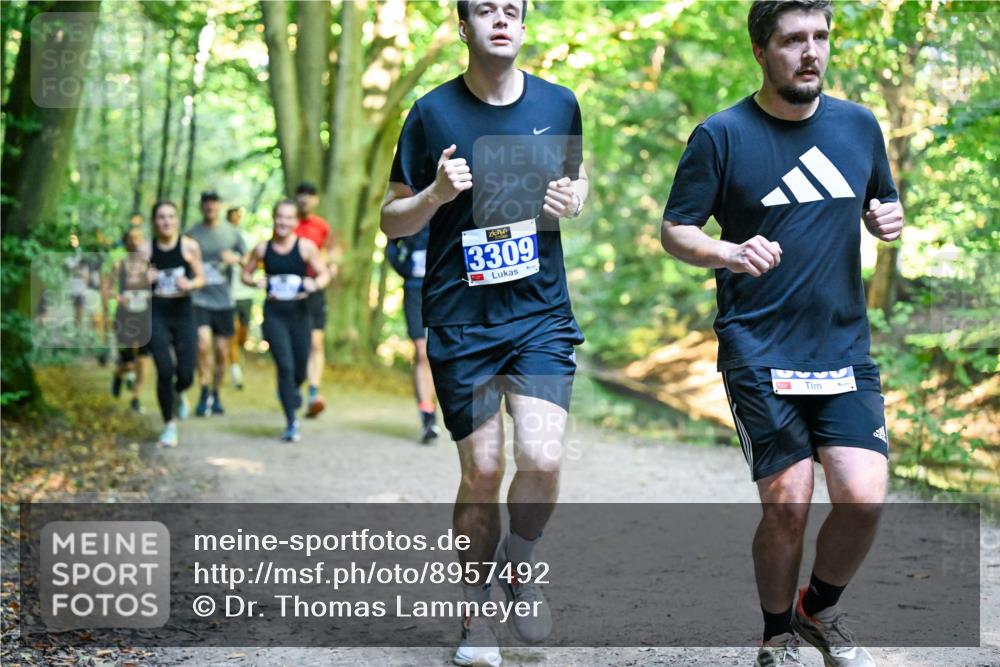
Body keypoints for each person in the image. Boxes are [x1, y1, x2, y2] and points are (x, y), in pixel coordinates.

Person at [659, 2, 904, 665]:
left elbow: (882, 201)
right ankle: (777, 636)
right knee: (789, 503)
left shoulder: (858, 126)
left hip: (842, 347)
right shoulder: (721, 135)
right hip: (759, 348)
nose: (811, 51)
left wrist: (888, 218)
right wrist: (728, 251)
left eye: (820, 36)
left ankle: (816, 610)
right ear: (761, 50)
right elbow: (675, 230)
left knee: (863, 498)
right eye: (793, 39)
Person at [380, 1, 588, 664]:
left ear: (524, 26)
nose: (501, 19)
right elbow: (391, 220)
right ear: (463, 27)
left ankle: (520, 565)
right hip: (461, 319)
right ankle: (474, 615)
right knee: (484, 468)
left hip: (539, 312)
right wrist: (435, 194)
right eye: (485, 9)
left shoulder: (559, 104)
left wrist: (575, 197)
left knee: (543, 457)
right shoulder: (430, 114)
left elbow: (576, 182)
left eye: (512, 10)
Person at [242, 200, 330, 442]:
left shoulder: (306, 248)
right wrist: (255, 281)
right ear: (274, 219)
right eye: (280, 217)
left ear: (295, 222)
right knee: (285, 366)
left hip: (300, 313)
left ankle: (291, 391)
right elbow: (245, 274)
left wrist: (315, 283)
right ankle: (291, 421)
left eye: (289, 218)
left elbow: (324, 274)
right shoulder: (263, 249)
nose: (284, 222)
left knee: (300, 368)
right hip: (274, 314)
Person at [142, 201, 205, 447]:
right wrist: (144, 280)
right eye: (161, 217)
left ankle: (180, 391)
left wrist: (190, 284)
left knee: (187, 374)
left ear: (177, 220)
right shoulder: (145, 249)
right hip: (156, 312)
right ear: (154, 221)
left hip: (183, 312)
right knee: (165, 369)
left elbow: (201, 278)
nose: (166, 221)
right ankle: (169, 425)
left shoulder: (189, 246)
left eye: (170, 216)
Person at [187, 191, 246, 416]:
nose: (210, 207)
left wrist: (236, 259)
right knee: (202, 345)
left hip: (224, 301)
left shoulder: (232, 233)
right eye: (206, 203)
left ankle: (216, 393)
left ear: (220, 206)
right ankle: (203, 392)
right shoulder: (192, 234)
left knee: (222, 351)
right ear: (201, 206)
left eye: (214, 203)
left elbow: (249, 260)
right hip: (199, 299)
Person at [386, 225, 441, 443]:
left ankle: (440, 405)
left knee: (439, 353)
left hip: (442, 288)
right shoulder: (409, 210)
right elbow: (391, 239)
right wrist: (405, 268)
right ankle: (428, 415)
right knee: (421, 352)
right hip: (414, 289)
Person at [293, 182, 332, 418]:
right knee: (298, 344)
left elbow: (328, 253)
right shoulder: (287, 223)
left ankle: (313, 394)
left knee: (316, 343)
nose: (305, 199)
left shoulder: (322, 227)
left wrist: (329, 268)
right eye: (301, 194)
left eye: (309, 195)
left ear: (316, 200)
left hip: (315, 289)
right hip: (291, 292)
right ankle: (294, 385)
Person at [111, 226, 151, 412]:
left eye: (139, 238)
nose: (135, 242)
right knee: (129, 363)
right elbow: (109, 289)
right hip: (125, 315)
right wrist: (118, 297)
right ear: (125, 243)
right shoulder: (119, 265)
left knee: (143, 359)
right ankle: (118, 374)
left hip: (145, 315)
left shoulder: (150, 265)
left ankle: (136, 397)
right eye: (131, 238)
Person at [227, 207, 255, 390]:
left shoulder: (248, 239)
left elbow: (257, 261)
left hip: (246, 294)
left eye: (238, 216)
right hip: (228, 295)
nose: (235, 219)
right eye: (232, 217)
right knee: (233, 332)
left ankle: (236, 355)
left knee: (243, 335)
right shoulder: (222, 241)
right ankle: (235, 369)